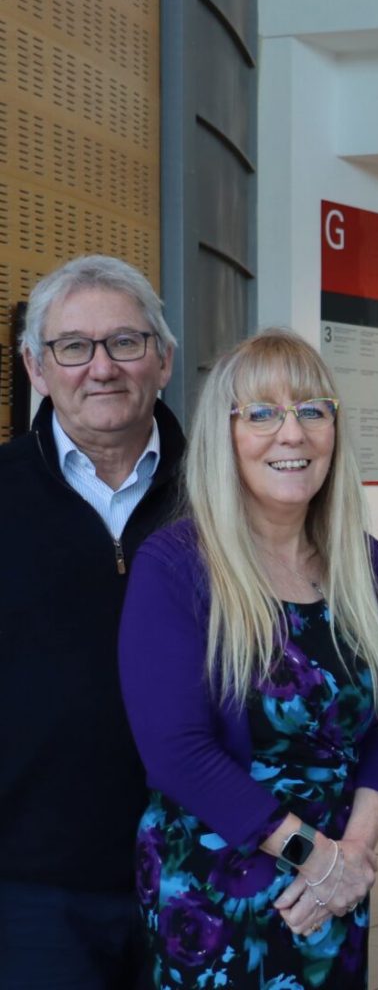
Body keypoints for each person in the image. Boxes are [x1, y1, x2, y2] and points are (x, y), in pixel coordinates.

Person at [118, 328, 378, 988]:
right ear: (225, 434)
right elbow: (178, 752)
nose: (293, 434)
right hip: (219, 883)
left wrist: (355, 856)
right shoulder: (177, 565)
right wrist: (316, 857)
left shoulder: (362, 561)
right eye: (262, 413)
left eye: (312, 410)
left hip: (337, 880)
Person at [0, 255, 183, 988]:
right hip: (31, 886)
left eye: (125, 343)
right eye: (73, 346)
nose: (100, 367)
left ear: (163, 360)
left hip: (204, 866)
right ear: (35, 368)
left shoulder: (226, 495)